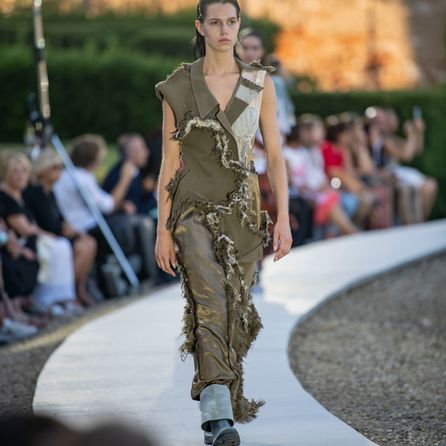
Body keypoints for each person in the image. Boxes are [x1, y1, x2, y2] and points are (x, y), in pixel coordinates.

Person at [154, 1, 292, 444]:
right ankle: (217, 413)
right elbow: (169, 162)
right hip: (191, 206)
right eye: (215, 22)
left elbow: (273, 155)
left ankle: (222, 405)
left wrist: (283, 217)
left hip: (243, 210)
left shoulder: (257, 81)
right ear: (200, 27)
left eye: (232, 22)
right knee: (208, 298)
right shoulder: (178, 85)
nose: (225, 30)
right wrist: (162, 228)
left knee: (234, 307)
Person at [23, 150, 98, 307]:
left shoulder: (50, 192)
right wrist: (66, 229)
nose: (60, 171)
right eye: (55, 167)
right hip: (47, 237)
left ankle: (79, 288)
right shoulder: (36, 193)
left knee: (89, 243)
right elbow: (45, 222)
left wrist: (72, 229)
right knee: (82, 247)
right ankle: (69, 292)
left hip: (57, 233)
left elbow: (61, 218)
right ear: (43, 170)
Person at [102, 134, 158, 282]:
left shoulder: (137, 171)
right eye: (142, 149)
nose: (147, 152)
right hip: (118, 218)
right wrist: (122, 204)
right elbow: (109, 202)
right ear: (132, 153)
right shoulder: (122, 171)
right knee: (147, 223)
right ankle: (151, 274)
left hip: (137, 214)